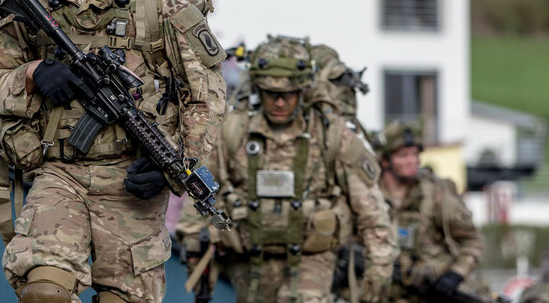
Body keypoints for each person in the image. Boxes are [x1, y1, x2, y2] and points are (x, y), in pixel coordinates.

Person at [0, 0, 227, 303]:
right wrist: (35, 73)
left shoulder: (159, 0)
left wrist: (176, 166)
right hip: (59, 172)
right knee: (44, 292)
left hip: (131, 180)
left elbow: (205, 94)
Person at [176, 36, 396, 303]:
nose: (279, 103)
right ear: (258, 88)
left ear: (302, 91)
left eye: (288, 94)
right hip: (250, 262)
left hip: (313, 260)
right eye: (271, 94)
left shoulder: (331, 133)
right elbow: (202, 192)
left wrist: (378, 272)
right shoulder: (234, 131)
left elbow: (371, 211)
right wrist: (192, 246)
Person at [377, 119, 488, 302]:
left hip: (433, 287)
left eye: (415, 155)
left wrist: (454, 275)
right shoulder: (368, 197)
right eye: (403, 156)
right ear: (384, 161)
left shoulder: (436, 195)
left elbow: (473, 241)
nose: (412, 161)